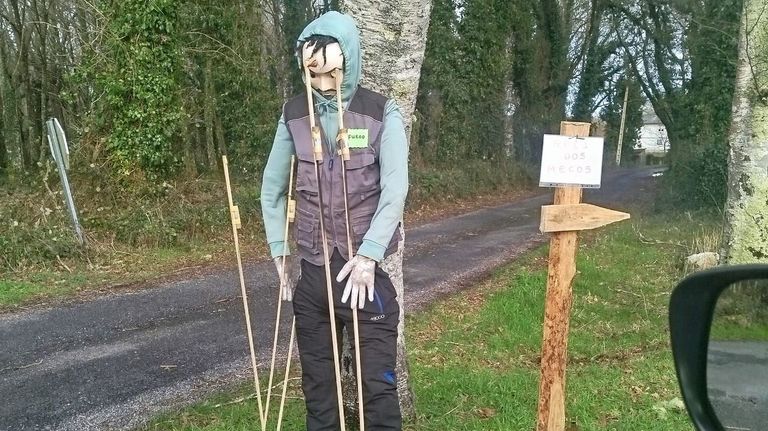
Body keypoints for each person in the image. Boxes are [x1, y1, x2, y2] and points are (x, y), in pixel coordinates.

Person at [260, 11, 408, 431]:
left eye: (332, 73)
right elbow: (272, 189)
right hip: (312, 275)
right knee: (318, 391)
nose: (324, 84)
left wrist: (369, 255)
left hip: (363, 278)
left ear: (350, 61)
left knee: (377, 389)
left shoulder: (380, 113)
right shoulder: (293, 115)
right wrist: (279, 250)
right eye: (314, 74)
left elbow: (395, 190)